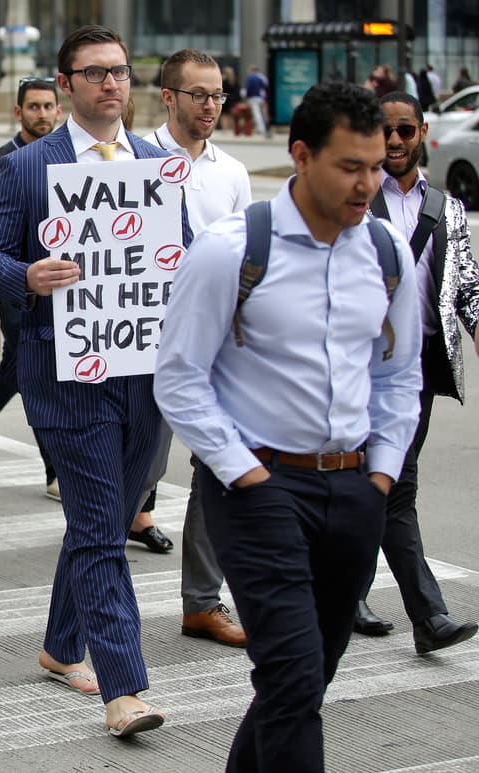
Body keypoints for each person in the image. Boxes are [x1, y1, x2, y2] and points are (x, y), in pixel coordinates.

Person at [154, 81, 422, 771]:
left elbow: (398, 377)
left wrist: (382, 474)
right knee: (295, 674)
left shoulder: (388, 253)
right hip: (257, 490)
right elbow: (179, 378)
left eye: (376, 165)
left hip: (356, 489)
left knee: (303, 676)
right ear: (301, 156)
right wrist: (247, 473)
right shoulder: (230, 250)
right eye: (350, 166)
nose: (369, 182)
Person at [0, 24, 179, 737]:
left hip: (141, 373)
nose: (110, 84)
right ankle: (124, 688)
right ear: (64, 86)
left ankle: (61, 644)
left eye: (119, 71)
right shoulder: (30, 168)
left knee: (105, 519)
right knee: (98, 528)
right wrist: (27, 276)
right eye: (93, 73)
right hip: (65, 376)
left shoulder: (154, 164)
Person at [350, 91, 479, 654]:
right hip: (359, 365)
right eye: (387, 131)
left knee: (381, 485)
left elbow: (467, 284)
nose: (397, 140)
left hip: (420, 365)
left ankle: (346, 591)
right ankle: (429, 617)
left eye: (406, 130)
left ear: (423, 132)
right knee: (391, 486)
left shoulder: (446, 207)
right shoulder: (351, 197)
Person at [139, 49, 252, 646]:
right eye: (198, 95)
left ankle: (202, 603)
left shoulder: (232, 173)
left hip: (213, 346)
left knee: (216, 470)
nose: (210, 106)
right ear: (170, 98)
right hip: (142, 345)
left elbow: (243, 260)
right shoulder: (133, 160)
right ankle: (83, 595)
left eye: (217, 95)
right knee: (139, 473)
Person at [0, 77, 63, 498]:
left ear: (58, 111)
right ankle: (54, 470)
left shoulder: (66, 158)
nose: (41, 114)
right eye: (34, 107)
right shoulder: (0, 160)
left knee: (18, 370)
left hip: (57, 287)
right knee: (26, 369)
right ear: (18, 112)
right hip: (17, 283)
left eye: (48, 107)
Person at [244, 65, 270, 138]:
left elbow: (248, 88)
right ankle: (261, 128)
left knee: (256, 114)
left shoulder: (251, 78)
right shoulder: (262, 77)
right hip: (261, 98)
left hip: (253, 97)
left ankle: (261, 129)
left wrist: (246, 95)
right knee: (262, 114)